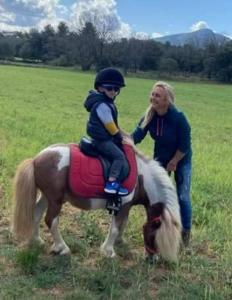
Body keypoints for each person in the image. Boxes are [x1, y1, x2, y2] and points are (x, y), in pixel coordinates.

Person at [131, 81, 192, 246]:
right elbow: (136, 136)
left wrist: (174, 161)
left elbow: (185, 145)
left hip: (182, 158)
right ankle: (157, 225)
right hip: (161, 158)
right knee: (156, 194)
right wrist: (123, 141)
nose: (153, 98)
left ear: (167, 100)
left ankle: (185, 232)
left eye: (158, 95)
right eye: (152, 94)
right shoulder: (150, 116)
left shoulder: (179, 118)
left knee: (182, 196)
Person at [84, 67, 129, 196]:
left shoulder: (105, 102)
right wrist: (119, 137)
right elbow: (110, 126)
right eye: (110, 88)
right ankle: (112, 182)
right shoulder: (102, 105)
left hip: (102, 138)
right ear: (100, 88)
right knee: (119, 156)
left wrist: (126, 135)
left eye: (116, 89)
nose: (113, 92)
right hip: (102, 140)